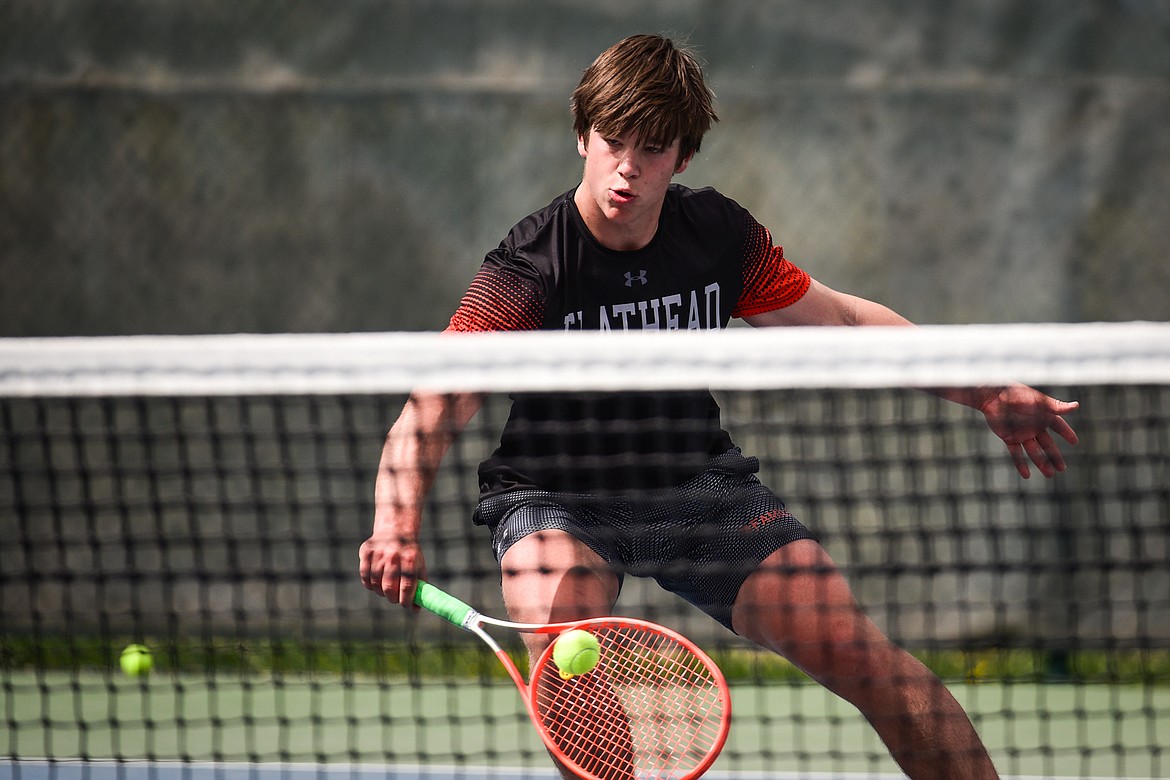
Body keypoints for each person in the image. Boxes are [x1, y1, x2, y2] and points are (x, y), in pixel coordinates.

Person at [359, 34, 1079, 779]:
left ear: (684, 156)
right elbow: (434, 403)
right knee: (561, 639)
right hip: (556, 494)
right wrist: (395, 523)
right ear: (582, 136)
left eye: (653, 147)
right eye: (612, 140)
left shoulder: (717, 237)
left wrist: (986, 387)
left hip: (696, 487)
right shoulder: (529, 269)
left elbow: (843, 323)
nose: (628, 166)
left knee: (862, 656)